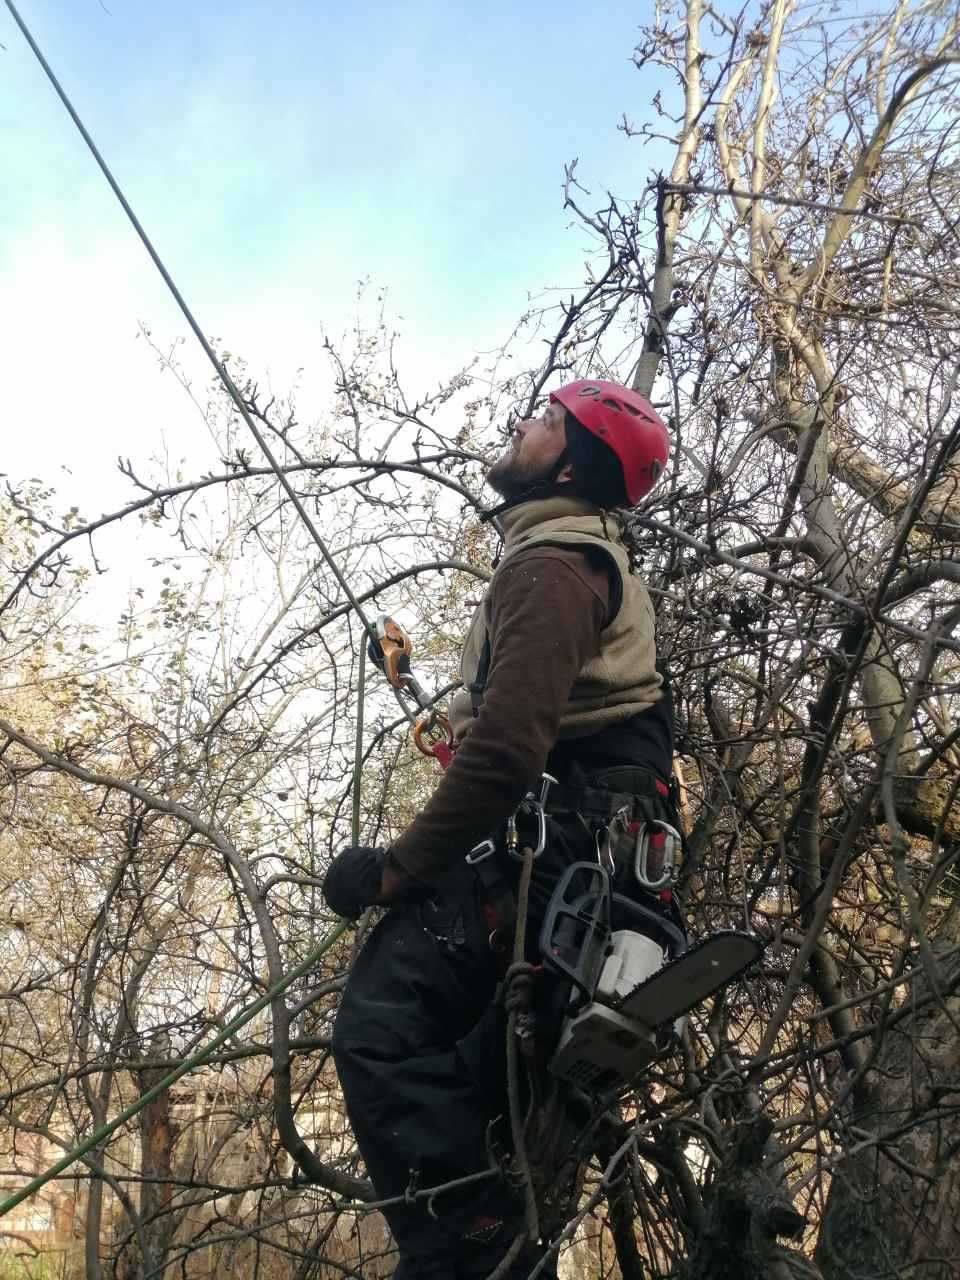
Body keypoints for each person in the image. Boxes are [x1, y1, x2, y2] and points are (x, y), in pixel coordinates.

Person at [324, 379, 678, 1279]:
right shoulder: (580, 559)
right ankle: (489, 1239)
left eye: (544, 417)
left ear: (567, 461)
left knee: (382, 1022)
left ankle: (473, 1239)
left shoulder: (552, 566)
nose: (520, 421)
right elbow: (528, 740)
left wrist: (395, 872)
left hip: (570, 851)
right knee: (485, 1072)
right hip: (600, 853)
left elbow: (508, 755)